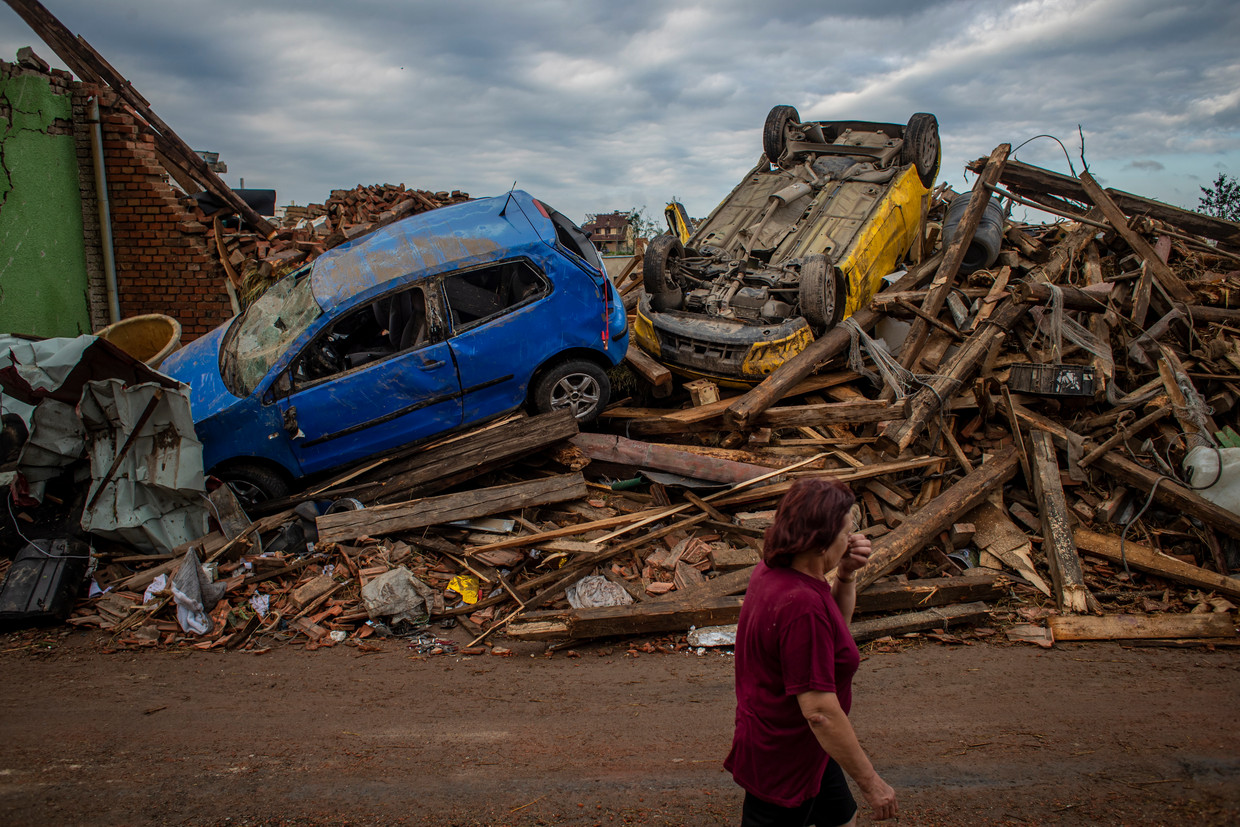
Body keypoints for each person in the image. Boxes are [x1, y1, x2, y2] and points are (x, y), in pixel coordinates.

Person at [724, 477, 897, 826]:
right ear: (820, 542)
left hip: (811, 745)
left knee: (841, 819)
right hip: (785, 755)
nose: (851, 540)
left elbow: (834, 634)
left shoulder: (776, 570)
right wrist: (872, 783)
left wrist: (845, 574)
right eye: (846, 531)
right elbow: (819, 711)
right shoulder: (801, 605)